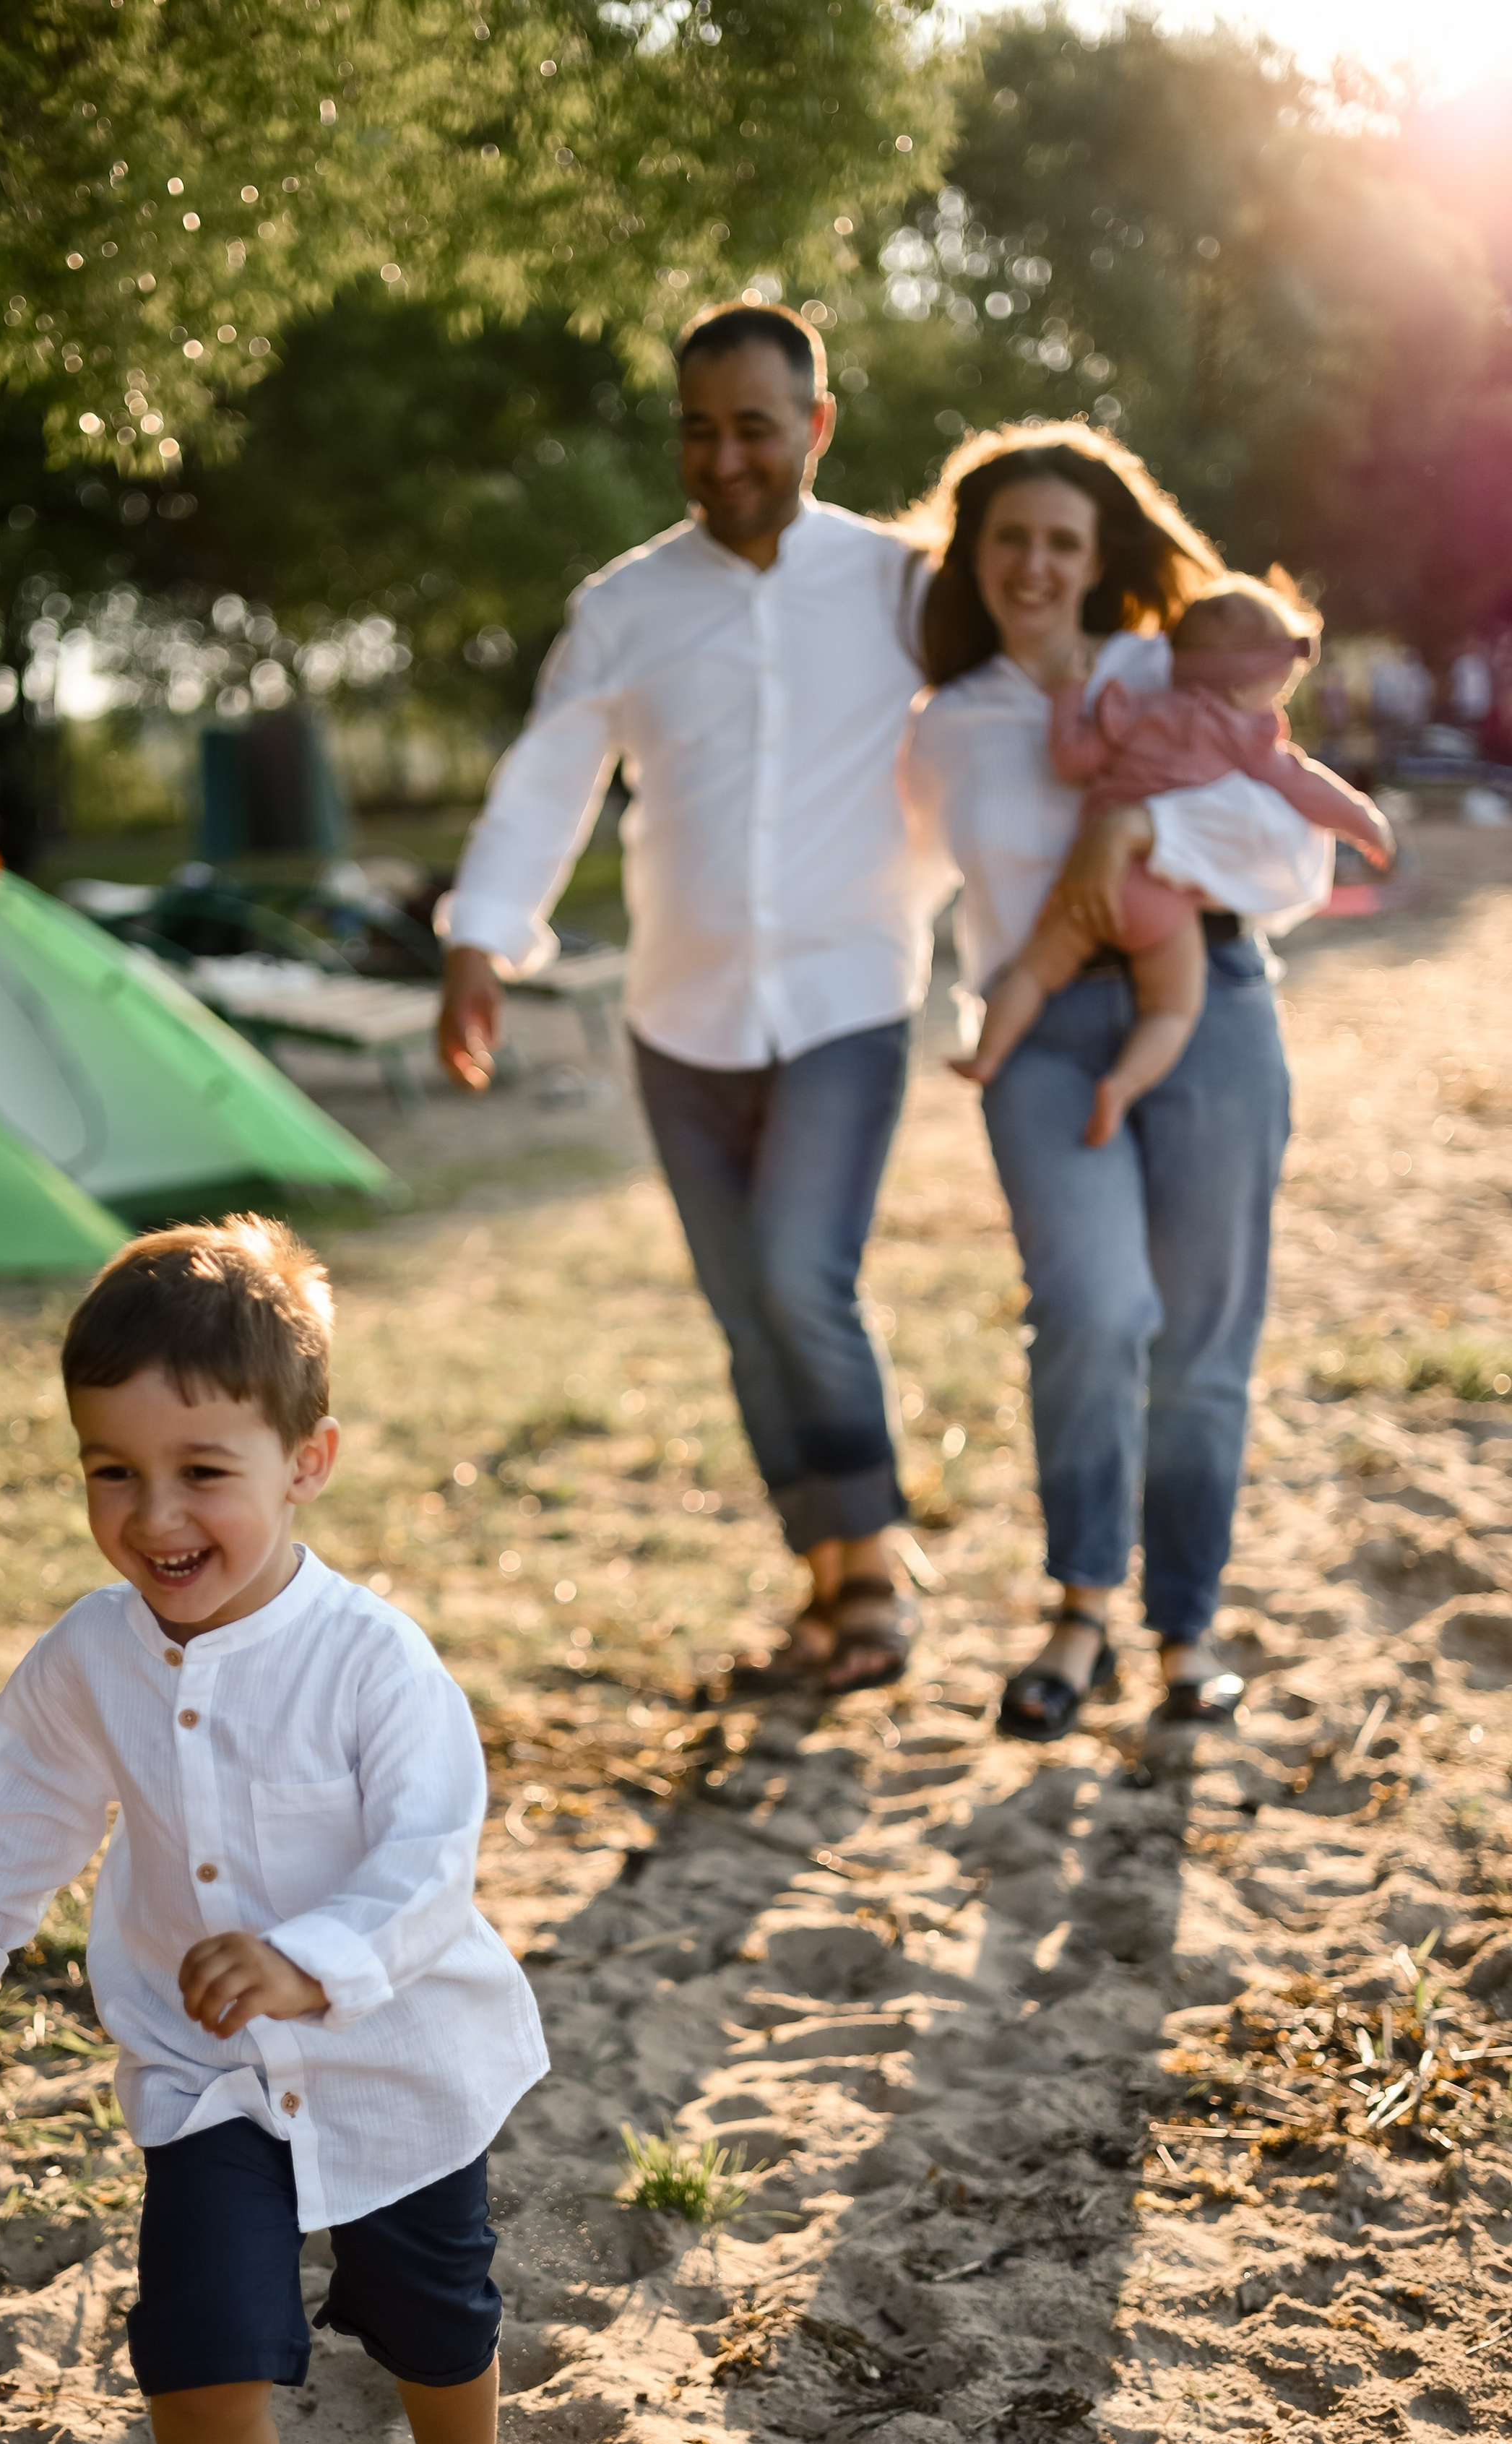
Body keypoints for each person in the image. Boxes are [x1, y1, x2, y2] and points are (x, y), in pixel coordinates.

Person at [0, 1218, 547, 2444]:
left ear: (306, 1460)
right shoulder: (90, 1657)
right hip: (204, 2067)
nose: (153, 1514)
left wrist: (311, 1960)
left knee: (433, 2317)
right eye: (112, 1470)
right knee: (195, 2329)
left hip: (393, 2065)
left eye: (201, 1472)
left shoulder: (372, 1662)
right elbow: (24, 1803)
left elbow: (434, 1857)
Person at [435, 301, 955, 1695]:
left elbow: (1002, 728)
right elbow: (550, 777)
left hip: (851, 992)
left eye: (756, 430)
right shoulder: (624, 606)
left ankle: (878, 1555)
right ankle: (828, 1569)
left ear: (818, 429)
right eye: (699, 431)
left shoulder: (906, 587)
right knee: (745, 1307)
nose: (724, 460)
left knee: (802, 1274)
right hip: (681, 1015)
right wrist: (485, 939)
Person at [899, 423, 1332, 1739]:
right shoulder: (944, 729)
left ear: (1101, 560)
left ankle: (1184, 1630)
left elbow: (1296, 862)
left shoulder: (1171, 672)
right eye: (1010, 539)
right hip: (1038, 1043)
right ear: (973, 556)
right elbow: (914, 890)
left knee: (1205, 1342)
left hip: (1207, 1007)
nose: (1035, 564)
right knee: (1091, 1310)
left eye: (1062, 542)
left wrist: (1149, 824)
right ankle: (1082, 1608)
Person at [953, 571, 1394, 1147]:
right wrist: (1365, 821)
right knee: (1172, 1012)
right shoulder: (1243, 733)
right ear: (1241, 692)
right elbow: (1304, 787)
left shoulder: (1131, 710)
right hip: (1160, 898)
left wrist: (1067, 694)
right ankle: (1123, 1086)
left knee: (1034, 973)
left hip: (1087, 886)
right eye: (1274, 692)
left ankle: (987, 1057)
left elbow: (1069, 758)